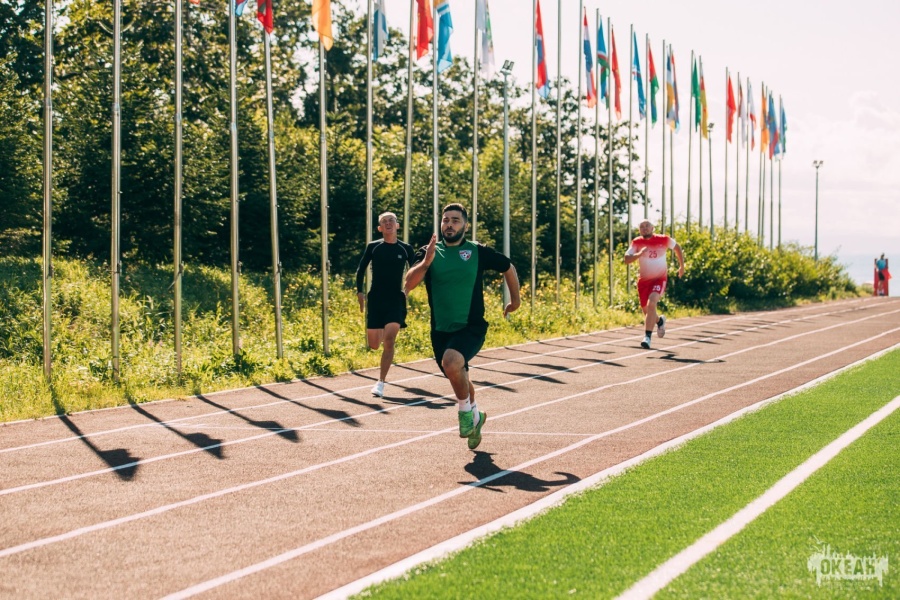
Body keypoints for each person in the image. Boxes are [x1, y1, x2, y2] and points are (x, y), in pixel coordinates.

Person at [405, 203, 521, 450]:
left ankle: (465, 414)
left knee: (451, 362)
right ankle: (477, 416)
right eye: (446, 220)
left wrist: (515, 300)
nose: (449, 224)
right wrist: (426, 262)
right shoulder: (428, 252)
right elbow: (409, 283)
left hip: (471, 326)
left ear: (465, 225)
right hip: (440, 330)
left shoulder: (477, 251)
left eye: (455, 220)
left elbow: (508, 267)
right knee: (458, 374)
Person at [355, 212, 415, 398]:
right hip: (376, 299)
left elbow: (415, 271)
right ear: (380, 228)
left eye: (391, 221)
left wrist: (407, 290)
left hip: (396, 300)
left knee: (389, 341)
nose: (388, 223)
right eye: (384, 222)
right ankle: (383, 328)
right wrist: (359, 292)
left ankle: (380, 382)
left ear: (397, 225)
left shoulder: (406, 248)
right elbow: (361, 269)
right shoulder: (374, 247)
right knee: (374, 344)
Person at [623, 219, 685, 349]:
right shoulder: (636, 242)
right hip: (644, 281)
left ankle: (647, 337)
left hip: (659, 278)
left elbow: (677, 247)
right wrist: (640, 253)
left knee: (652, 303)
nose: (645, 228)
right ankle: (659, 321)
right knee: (647, 311)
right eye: (642, 227)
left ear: (652, 228)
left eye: (647, 226)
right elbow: (627, 259)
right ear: (639, 230)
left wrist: (681, 266)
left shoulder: (663, 239)